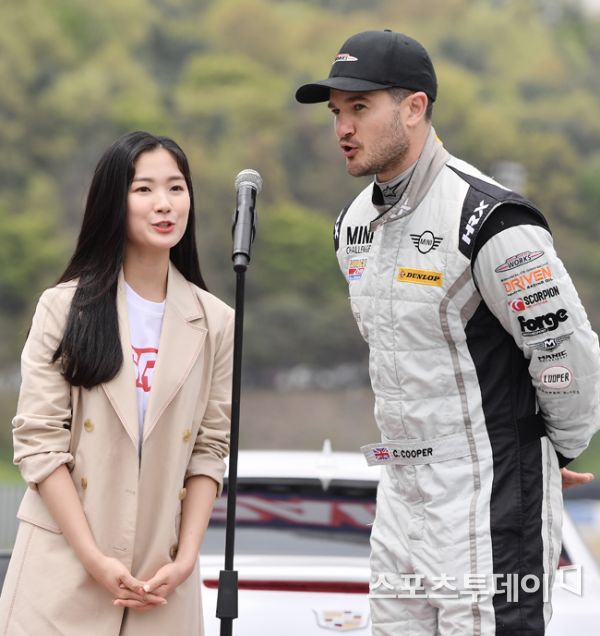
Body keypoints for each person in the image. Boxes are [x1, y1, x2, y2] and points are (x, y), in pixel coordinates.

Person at [296, 30, 600, 635]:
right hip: (399, 497)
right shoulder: (351, 225)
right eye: (336, 112)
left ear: (414, 108)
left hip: (488, 500)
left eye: (360, 108)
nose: (343, 128)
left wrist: (548, 453)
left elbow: (566, 357)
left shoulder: (489, 219)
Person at [0, 131, 234, 635]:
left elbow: (210, 449)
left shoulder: (214, 321)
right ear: (113, 202)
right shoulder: (64, 308)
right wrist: (94, 558)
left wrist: (186, 559)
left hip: (161, 581)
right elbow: (39, 443)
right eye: (144, 189)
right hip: (63, 573)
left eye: (176, 187)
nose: (164, 204)